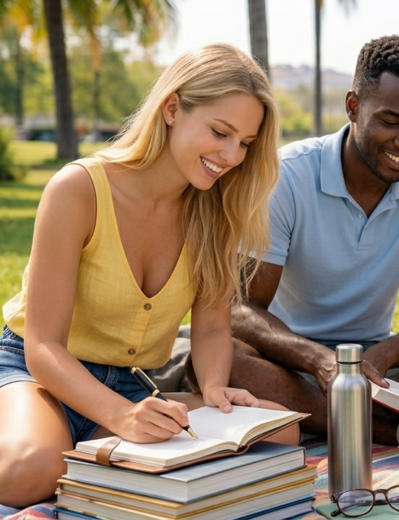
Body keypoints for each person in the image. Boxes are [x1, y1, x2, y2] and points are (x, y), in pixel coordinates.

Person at [0, 43, 296, 507]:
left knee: (280, 430)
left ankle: (92, 464)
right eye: (220, 132)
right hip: (40, 377)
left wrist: (216, 389)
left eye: (245, 143)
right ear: (173, 107)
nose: (232, 156)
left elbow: (214, 324)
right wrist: (121, 416)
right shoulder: (78, 189)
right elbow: (42, 347)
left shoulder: (216, 212)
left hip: (134, 386)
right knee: (29, 472)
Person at [223, 35, 399, 446]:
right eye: (391, 121)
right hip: (290, 359)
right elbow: (242, 308)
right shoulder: (286, 175)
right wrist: (320, 361)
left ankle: (344, 418)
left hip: (379, 363)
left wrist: (375, 360)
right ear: (353, 106)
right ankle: (391, 431)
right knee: (225, 357)